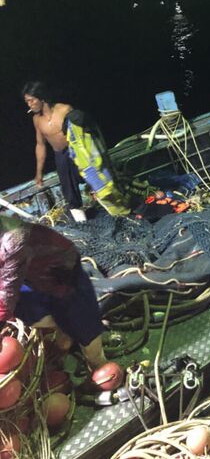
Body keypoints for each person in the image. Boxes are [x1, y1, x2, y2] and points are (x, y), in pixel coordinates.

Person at [0, 215, 121, 384]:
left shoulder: (12, 240)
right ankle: (65, 336)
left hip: (61, 274)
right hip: (30, 276)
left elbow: (7, 292)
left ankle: (98, 366)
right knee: (31, 312)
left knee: (82, 323)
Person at [23, 82, 83, 217]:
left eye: (31, 101)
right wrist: (39, 172)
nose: (29, 105)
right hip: (60, 155)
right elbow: (40, 145)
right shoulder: (37, 120)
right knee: (70, 192)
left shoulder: (64, 109)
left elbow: (83, 133)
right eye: (27, 102)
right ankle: (82, 220)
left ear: (41, 98)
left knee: (91, 178)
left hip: (77, 151)